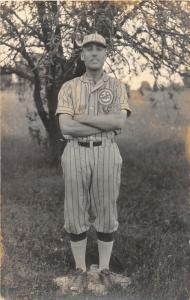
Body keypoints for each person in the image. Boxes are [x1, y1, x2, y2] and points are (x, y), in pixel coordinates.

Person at [55, 32, 132, 295]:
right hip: (75, 151)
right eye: (88, 48)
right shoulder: (69, 87)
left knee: (106, 209)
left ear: (106, 53)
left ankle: (103, 269)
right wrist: (102, 122)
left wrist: (83, 118)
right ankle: (79, 270)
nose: (94, 53)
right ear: (82, 54)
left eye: (99, 48)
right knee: (75, 211)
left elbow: (118, 122)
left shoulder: (116, 86)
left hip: (108, 152)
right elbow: (65, 126)